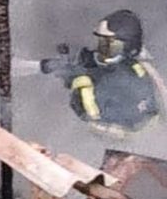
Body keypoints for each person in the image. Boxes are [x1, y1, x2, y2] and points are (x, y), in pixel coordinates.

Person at [42, 9, 159, 139]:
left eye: (109, 44)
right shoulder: (129, 66)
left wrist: (79, 81)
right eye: (101, 42)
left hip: (116, 142)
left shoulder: (123, 77)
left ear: (127, 45)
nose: (102, 49)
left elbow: (91, 115)